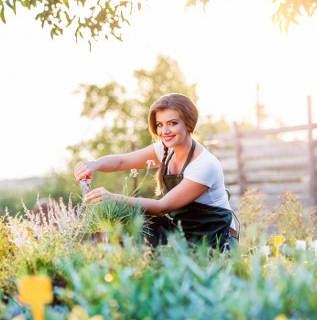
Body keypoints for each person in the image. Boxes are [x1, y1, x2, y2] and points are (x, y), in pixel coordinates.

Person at [74, 93, 239, 249]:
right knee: (131, 219)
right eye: (160, 125)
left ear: (189, 123)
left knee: (138, 214)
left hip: (214, 240)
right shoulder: (165, 150)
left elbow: (162, 207)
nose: (165, 131)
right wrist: (95, 164)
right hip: (182, 231)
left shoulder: (205, 165)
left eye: (173, 123)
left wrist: (113, 198)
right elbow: (122, 161)